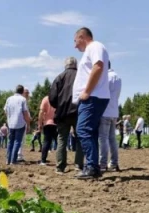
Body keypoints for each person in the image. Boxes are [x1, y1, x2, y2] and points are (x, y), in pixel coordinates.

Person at [72, 27, 110, 179]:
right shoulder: (93, 49)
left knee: (82, 130)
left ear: (82, 37)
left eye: (75, 41)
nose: (75, 46)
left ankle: (92, 167)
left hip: (93, 97)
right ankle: (92, 166)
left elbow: (98, 66)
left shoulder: (95, 46)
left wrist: (87, 92)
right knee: (91, 132)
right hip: (93, 97)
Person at [49, 56, 80, 174]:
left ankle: (60, 166)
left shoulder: (59, 77)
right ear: (76, 65)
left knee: (62, 139)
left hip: (62, 113)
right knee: (80, 139)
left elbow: (51, 98)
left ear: (65, 65)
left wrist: (59, 105)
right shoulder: (82, 76)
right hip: (78, 112)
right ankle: (79, 165)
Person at [98, 61, 121, 172]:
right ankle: (114, 163)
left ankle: (102, 164)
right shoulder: (118, 77)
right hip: (114, 112)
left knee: (103, 139)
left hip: (105, 111)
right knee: (112, 139)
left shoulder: (104, 77)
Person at [4, 85, 31, 165]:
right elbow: (25, 112)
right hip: (20, 123)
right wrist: (28, 123)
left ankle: (8, 160)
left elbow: (5, 110)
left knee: (10, 142)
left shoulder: (9, 99)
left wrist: (9, 118)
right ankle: (13, 160)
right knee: (17, 142)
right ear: (22, 91)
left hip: (11, 123)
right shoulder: (23, 99)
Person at [39, 95, 57, 165]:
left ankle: (43, 160)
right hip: (57, 123)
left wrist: (40, 124)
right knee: (59, 143)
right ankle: (61, 161)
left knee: (46, 142)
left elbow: (41, 112)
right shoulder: (58, 98)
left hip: (47, 123)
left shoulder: (46, 99)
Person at [17, 88, 30, 161]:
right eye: (26, 92)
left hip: (17, 123)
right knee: (20, 140)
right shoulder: (23, 101)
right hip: (22, 123)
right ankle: (18, 156)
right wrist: (28, 123)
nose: (28, 94)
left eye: (28, 93)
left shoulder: (24, 101)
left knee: (19, 140)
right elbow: (25, 113)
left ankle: (18, 155)